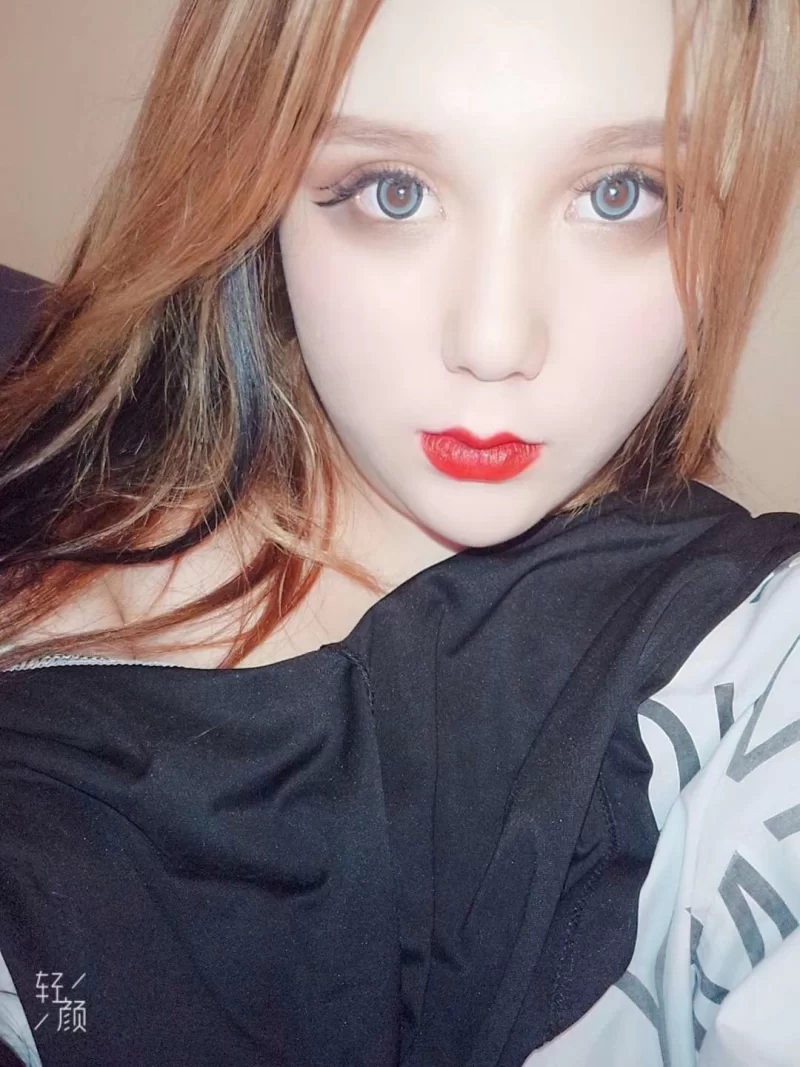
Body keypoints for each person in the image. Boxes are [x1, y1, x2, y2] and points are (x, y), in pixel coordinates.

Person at [0, 0, 798, 1063]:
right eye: (394, 190)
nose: (495, 340)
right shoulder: (54, 413)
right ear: (253, 186)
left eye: (621, 193)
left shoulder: (745, 661)